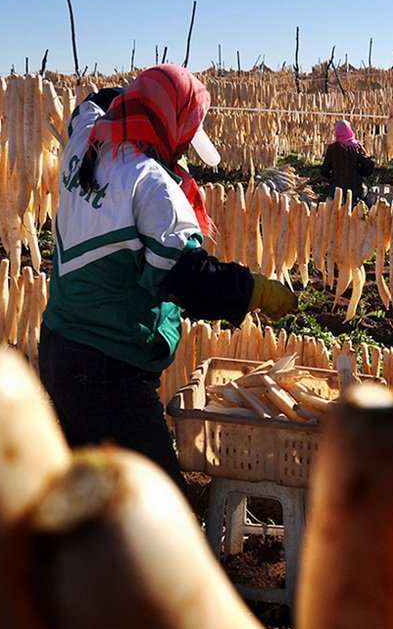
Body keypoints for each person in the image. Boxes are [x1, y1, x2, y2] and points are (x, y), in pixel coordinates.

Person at [38, 64, 297, 493]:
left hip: (58, 347)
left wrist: (145, 94)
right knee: (160, 505)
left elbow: (95, 100)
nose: (184, 150)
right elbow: (187, 277)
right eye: (185, 133)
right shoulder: (154, 187)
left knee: (91, 498)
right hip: (108, 370)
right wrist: (255, 290)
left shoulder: (87, 137)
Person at [320, 119, 374, 204]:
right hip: (357, 190)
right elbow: (368, 166)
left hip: (337, 190)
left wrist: (332, 177)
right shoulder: (357, 147)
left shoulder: (333, 148)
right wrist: (360, 173)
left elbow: (324, 170)